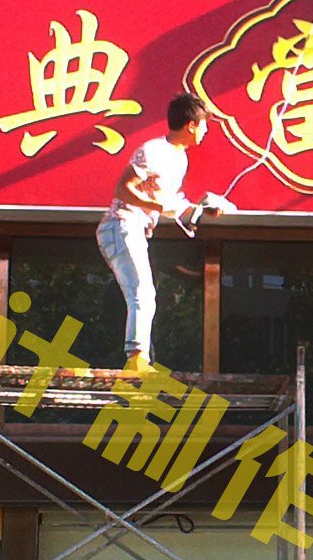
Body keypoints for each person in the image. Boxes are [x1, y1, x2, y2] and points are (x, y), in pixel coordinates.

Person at [98, 94, 229, 370]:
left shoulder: (179, 159)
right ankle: (136, 359)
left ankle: (138, 358)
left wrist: (202, 209)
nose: (206, 131)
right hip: (121, 224)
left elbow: (171, 203)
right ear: (191, 125)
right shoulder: (154, 150)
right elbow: (122, 189)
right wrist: (158, 206)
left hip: (133, 229)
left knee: (144, 293)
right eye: (204, 125)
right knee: (142, 291)